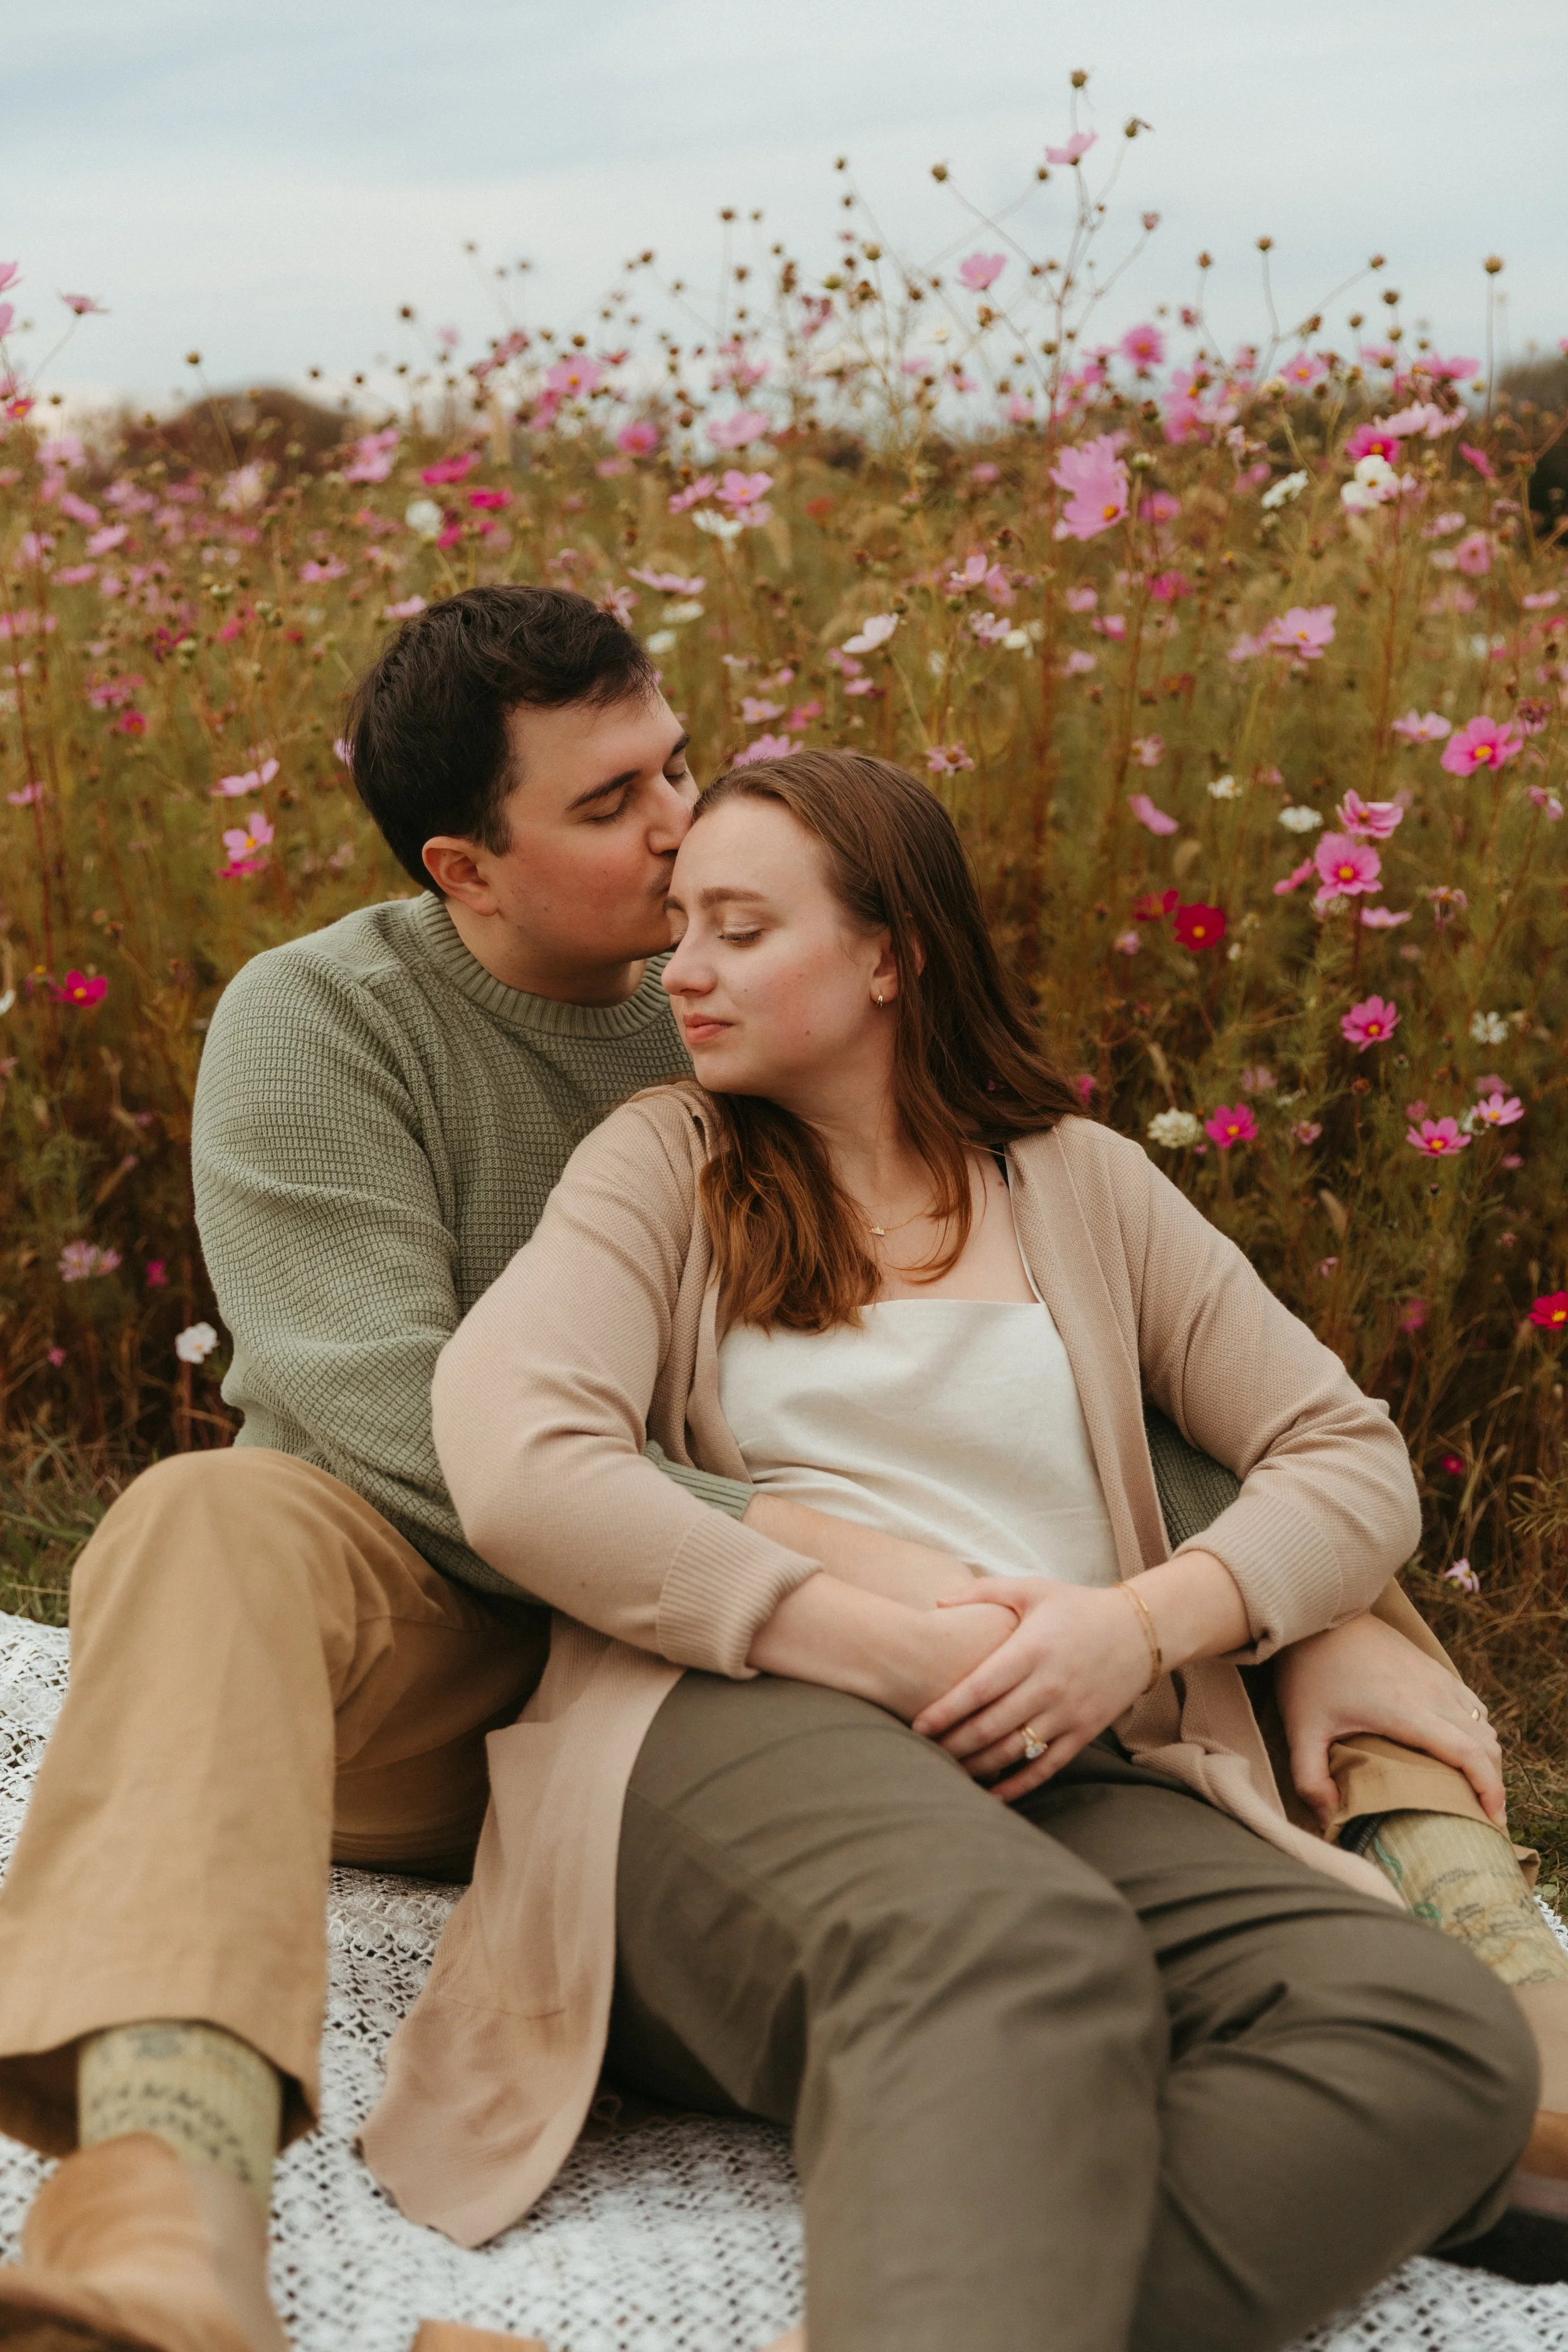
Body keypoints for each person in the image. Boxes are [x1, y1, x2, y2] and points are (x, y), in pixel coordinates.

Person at [0, 591, 1552, 2352]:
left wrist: (1282, 1614)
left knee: (1352, 1975)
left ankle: (1470, 1964)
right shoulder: (360, 1024)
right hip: (486, 1631)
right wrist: (817, 1559)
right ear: (465, 865)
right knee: (211, 1510)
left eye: (673, 767)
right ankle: (160, 2193)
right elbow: (409, 1414)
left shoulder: (788, 1035)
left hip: (833, 1662)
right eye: (611, 809)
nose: (676, 835)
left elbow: (1150, 1404)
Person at [373, 746, 1542, 2349]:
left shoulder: (1081, 1185)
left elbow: (1342, 1456)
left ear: (886, 952)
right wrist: (867, 1638)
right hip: (733, 1738)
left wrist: (1134, 1631)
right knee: (1017, 1949)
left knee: (1427, 2031)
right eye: (681, 928)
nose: (680, 970)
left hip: (1070, 1758)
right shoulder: (665, 1165)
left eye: (736, 928)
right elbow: (520, 1461)